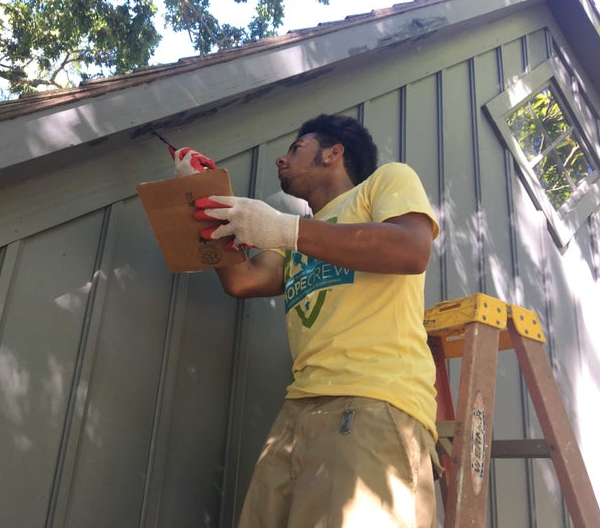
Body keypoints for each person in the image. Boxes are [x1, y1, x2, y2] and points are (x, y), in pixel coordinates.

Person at [174, 113, 441, 527]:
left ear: (333, 154)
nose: (281, 160)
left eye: (296, 149)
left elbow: (411, 249)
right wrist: (200, 197)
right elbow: (242, 280)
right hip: (297, 412)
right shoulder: (294, 236)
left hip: (374, 400)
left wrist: (284, 229)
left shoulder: (385, 181)